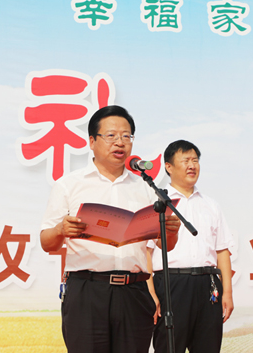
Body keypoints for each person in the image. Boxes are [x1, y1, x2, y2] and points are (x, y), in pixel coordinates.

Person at [40, 105, 181, 353]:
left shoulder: (146, 188)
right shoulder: (69, 185)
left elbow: (166, 246)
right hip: (87, 291)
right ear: (92, 141)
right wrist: (61, 229)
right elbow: (46, 243)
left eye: (127, 136)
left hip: (134, 292)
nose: (120, 142)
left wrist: (171, 230)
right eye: (111, 135)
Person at [147, 140, 234, 353]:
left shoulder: (211, 205)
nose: (192, 165)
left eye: (195, 160)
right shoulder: (156, 204)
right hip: (171, 285)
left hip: (208, 284)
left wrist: (227, 293)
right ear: (168, 167)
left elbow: (222, 250)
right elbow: (145, 252)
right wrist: (150, 292)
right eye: (185, 160)